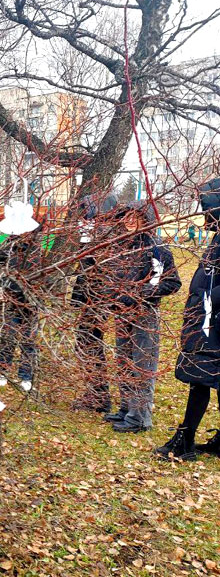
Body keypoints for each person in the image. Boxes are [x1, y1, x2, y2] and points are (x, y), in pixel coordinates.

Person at [155, 179, 220, 460]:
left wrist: (207, 300)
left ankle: (185, 440)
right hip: (206, 319)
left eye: (207, 207)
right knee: (206, 376)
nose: (204, 214)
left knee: (201, 378)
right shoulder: (217, 238)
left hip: (211, 321)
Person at [104, 201, 180, 433]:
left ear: (145, 219)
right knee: (124, 361)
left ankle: (139, 418)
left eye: (134, 216)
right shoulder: (122, 245)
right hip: (122, 312)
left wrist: (139, 294)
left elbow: (172, 282)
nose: (128, 221)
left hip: (144, 314)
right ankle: (126, 408)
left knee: (142, 364)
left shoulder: (156, 248)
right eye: (125, 216)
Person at [70, 193, 120, 413]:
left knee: (89, 342)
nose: (83, 220)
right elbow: (84, 268)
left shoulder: (106, 237)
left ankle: (98, 396)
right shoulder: (93, 234)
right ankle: (96, 393)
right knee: (85, 342)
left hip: (98, 298)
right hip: (91, 298)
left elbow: (98, 271)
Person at [0, 227, 43, 392]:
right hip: (11, 300)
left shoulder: (36, 249)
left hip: (30, 302)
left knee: (28, 339)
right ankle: (3, 370)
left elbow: (45, 274)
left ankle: (26, 375)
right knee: (8, 336)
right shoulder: (7, 247)